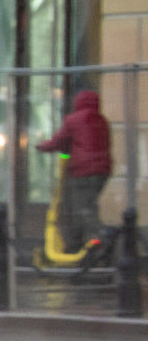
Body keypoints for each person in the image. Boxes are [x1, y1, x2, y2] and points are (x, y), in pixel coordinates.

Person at [38, 90, 111, 253]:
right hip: (102, 171)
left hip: (83, 171)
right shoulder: (102, 120)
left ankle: (103, 236)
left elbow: (59, 141)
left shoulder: (73, 120)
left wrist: (41, 146)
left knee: (82, 208)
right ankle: (77, 245)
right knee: (87, 204)